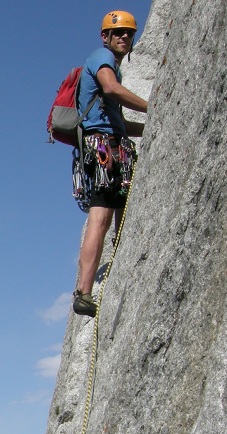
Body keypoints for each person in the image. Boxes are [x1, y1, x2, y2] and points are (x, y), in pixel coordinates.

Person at [72, 10, 149, 317]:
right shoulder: (101, 58)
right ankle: (85, 292)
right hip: (104, 151)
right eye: (118, 33)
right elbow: (111, 89)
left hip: (111, 145)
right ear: (105, 36)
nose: (125, 38)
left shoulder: (110, 66)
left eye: (129, 33)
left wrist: (151, 124)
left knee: (116, 213)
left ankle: (115, 264)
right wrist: (153, 106)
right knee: (100, 218)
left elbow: (119, 123)